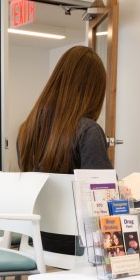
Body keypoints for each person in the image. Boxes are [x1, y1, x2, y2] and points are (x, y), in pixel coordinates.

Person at [16, 45, 113, 255]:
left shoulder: (27, 129)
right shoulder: (88, 131)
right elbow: (103, 199)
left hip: (37, 236)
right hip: (77, 241)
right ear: (93, 91)